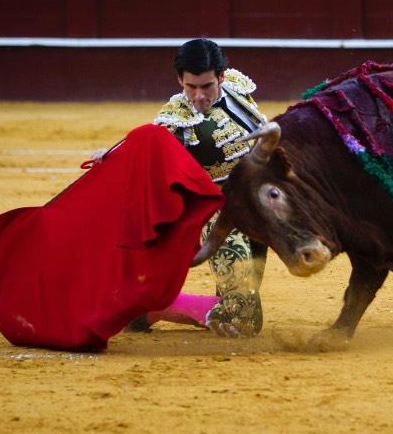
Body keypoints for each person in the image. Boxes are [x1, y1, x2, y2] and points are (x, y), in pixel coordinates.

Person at [95, 39, 269, 337]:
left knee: (239, 306)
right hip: (219, 216)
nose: (199, 96)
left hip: (255, 205)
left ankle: (219, 299)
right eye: (191, 87)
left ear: (222, 77)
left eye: (207, 86)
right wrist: (111, 156)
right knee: (243, 321)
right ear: (180, 81)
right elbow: (146, 150)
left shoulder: (237, 88)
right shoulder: (176, 121)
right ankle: (154, 306)